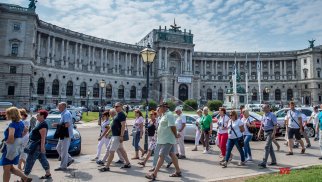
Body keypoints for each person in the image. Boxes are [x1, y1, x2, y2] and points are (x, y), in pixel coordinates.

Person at [145, 102, 182, 180]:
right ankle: (178, 171)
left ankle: (154, 174)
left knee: (161, 155)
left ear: (164, 107)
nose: (158, 109)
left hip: (167, 139)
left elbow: (172, 126)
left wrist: (176, 135)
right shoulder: (164, 115)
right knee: (172, 154)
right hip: (164, 139)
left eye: (160, 107)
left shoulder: (169, 115)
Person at [0, 107, 31, 182]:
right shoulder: (21, 122)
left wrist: (4, 144)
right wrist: (19, 137)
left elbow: (11, 137)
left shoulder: (12, 124)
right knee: (11, 167)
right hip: (16, 147)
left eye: (7, 113)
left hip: (10, 148)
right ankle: (25, 178)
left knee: (6, 169)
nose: (6, 115)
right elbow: (26, 130)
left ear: (11, 115)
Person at [99, 102, 131, 172]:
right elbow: (113, 124)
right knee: (122, 150)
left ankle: (107, 167)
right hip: (114, 135)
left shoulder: (122, 114)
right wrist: (108, 132)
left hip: (117, 136)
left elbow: (123, 126)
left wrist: (121, 136)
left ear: (121, 106)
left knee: (111, 151)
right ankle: (128, 163)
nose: (115, 108)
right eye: (115, 106)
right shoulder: (117, 114)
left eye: (117, 106)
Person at [24, 110, 51, 179]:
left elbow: (43, 137)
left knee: (29, 160)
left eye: (38, 115)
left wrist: (42, 147)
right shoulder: (40, 123)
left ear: (42, 116)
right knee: (42, 159)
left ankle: (24, 178)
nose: (36, 116)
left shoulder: (43, 125)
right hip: (36, 145)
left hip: (37, 146)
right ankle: (48, 173)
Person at [150, 107, 172, 172]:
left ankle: (169, 161)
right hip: (158, 137)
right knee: (157, 152)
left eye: (158, 110)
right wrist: (155, 136)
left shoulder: (165, 117)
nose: (157, 111)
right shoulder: (158, 119)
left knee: (161, 153)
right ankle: (154, 166)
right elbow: (157, 129)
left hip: (164, 137)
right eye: (157, 110)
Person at [53, 102, 74, 171]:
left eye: (60, 107)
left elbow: (67, 125)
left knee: (64, 151)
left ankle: (63, 166)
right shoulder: (64, 114)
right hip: (63, 135)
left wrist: (57, 125)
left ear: (64, 107)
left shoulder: (66, 114)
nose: (58, 108)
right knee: (58, 148)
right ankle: (70, 159)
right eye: (58, 107)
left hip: (66, 135)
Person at [257, 104, 277, 168]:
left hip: (270, 132)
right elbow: (262, 124)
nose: (263, 109)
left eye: (265, 108)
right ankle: (274, 161)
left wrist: (274, 133)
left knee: (266, 147)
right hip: (265, 132)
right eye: (263, 108)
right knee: (270, 148)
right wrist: (259, 132)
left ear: (268, 108)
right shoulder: (263, 115)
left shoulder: (272, 115)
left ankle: (264, 162)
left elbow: (275, 125)